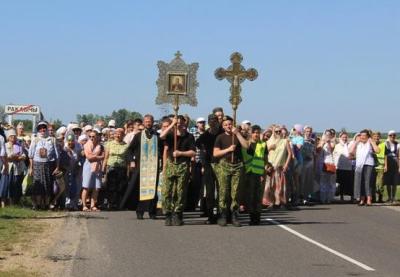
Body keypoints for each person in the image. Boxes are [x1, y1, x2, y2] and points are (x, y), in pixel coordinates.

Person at [160, 115, 196, 226]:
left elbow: (193, 152)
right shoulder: (171, 135)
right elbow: (161, 136)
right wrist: (171, 124)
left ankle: (177, 213)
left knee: (180, 192)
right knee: (167, 191)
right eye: (177, 123)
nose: (179, 124)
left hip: (182, 165)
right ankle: (167, 213)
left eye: (181, 122)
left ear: (185, 123)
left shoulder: (189, 137)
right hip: (171, 164)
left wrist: (181, 153)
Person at [213, 116, 248, 227]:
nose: (228, 126)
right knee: (223, 191)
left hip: (237, 165)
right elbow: (215, 153)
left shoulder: (238, 135)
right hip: (224, 165)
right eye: (226, 125)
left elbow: (246, 146)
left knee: (235, 192)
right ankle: (223, 215)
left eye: (230, 124)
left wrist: (237, 133)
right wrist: (228, 149)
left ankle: (235, 215)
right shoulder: (220, 137)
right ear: (223, 127)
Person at [195, 114, 223, 224]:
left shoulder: (221, 133)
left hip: (221, 164)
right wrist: (203, 149)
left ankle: (222, 214)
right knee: (210, 191)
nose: (213, 122)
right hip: (208, 164)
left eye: (215, 120)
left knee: (222, 190)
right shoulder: (205, 134)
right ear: (208, 122)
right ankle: (210, 215)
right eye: (210, 121)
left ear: (217, 122)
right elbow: (197, 143)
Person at [28, 121, 60, 210]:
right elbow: (30, 155)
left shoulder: (52, 139)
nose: (42, 130)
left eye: (44, 128)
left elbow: (57, 155)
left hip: (48, 165)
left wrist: (57, 167)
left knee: (48, 185)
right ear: (38, 130)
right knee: (38, 186)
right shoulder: (35, 139)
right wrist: (31, 168)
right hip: (37, 164)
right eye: (40, 128)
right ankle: (38, 204)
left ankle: (46, 204)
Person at [264, 125, 292, 208]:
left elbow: (290, 153)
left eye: (280, 131)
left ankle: (280, 202)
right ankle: (271, 203)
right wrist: (269, 148)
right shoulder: (268, 141)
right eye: (276, 131)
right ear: (273, 132)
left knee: (280, 186)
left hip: (279, 166)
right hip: (270, 166)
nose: (278, 133)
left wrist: (286, 164)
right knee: (270, 186)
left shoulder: (285, 141)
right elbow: (264, 153)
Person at [245, 125, 268, 225]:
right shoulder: (247, 144)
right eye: (254, 132)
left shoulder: (263, 144)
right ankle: (251, 217)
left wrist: (264, 172)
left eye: (258, 133)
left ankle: (257, 217)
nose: (256, 134)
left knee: (258, 197)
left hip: (259, 174)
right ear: (251, 133)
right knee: (250, 196)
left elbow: (265, 159)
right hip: (249, 173)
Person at [349, 129, 380, 206]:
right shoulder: (358, 144)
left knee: (368, 182)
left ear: (368, 136)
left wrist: (372, 142)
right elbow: (350, 151)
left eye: (364, 136)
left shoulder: (370, 143)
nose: (362, 137)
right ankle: (362, 199)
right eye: (361, 135)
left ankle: (369, 199)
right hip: (359, 165)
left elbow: (378, 150)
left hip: (368, 164)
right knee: (361, 182)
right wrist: (356, 142)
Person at [102, 128, 129, 210]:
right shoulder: (109, 144)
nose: (118, 135)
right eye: (116, 133)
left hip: (122, 168)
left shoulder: (126, 145)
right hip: (111, 167)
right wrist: (103, 168)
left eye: (120, 133)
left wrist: (128, 172)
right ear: (114, 135)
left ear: (123, 135)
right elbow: (106, 157)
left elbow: (127, 159)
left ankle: (119, 204)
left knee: (120, 187)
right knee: (111, 186)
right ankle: (111, 203)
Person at [186, 117, 206, 211]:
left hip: (204, 162)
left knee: (203, 185)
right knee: (194, 184)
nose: (202, 124)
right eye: (200, 122)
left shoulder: (207, 134)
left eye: (203, 122)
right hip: (194, 161)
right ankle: (191, 204)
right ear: (197, 124)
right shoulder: (192, 133)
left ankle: (202, 205)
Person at [81, 130, 104, 211]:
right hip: (88, 167)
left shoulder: (100, 146)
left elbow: (103, 156)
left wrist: (94, 156)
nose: (91, 138)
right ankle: (84, 205)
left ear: (97, 137)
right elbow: (89, 158)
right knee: (86, 187)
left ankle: (93, 205)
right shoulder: (86, 145)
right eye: (90, 136)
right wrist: (99, 157)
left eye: (93, 136)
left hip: (98, 167)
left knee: (96, 187)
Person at [4, 129, 27, 205]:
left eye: (14, 136)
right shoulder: (5, 145)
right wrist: (15, 157)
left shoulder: (18, 145)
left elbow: (23, 156)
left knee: (17, 184)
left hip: (18, 168)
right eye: (11, 136)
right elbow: (6, 157)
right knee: (9, 184)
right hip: (9, 168)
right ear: (8, 137)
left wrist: (17, 157)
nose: (13, 137)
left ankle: (15, 202)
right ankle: (8, 202)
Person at [333, 131, 354, 201]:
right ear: (340, 138)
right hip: (340, 167)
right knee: (340, 182)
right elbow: (334, 156)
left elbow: (352, 154)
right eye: (343, 137)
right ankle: (341, 196)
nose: (344, 138)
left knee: (349, 183)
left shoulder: (349, 145)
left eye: (346, 137)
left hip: (348, 167)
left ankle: (351, 197)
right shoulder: (337, 146)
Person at [318, 129, 336, 204]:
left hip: (330, 162)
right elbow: (318, 150)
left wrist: (328, 142)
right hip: (322, 163)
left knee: (330, 182)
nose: (328, 136)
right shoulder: (321, 141)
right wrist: (322, 143)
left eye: (329, 134)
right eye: (326, 134)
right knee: (323, 182)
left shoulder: (332, 142)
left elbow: (331, 149)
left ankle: (329, 198)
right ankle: (323, 198)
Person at [300, 126, 316, 204]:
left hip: (310, 163)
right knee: (302, 181)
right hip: (302, 163)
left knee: (308, 181)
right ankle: (300, 197)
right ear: (304, 132)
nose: (308, 133)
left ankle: (306, 198)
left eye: (310, 131)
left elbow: (314, 153)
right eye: (307, 131)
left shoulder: (313, 141)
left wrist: (314, 165)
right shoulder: (301, 140)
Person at [384, 130, 399, 203]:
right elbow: (385, 156)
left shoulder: (397, 144)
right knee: (388, 182)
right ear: (388, 136)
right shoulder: (386, 144)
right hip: (388, 163)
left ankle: (393, 197)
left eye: (394, 135)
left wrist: (399, 167)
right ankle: (389, 197)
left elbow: (399, 156)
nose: (392, 136)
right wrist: (386, 166)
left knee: (395, 182)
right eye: (391, 135)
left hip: (395, 164)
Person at [371, 132, 385, 203]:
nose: (376, 138)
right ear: (372, 137)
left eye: (378, 136)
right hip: (372, 166)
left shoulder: (383, 144)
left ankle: (380, 198)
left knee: (380, 184)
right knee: (372, 183)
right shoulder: (370, 144)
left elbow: (385, 156)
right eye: (375, 136)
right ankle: (373, 198)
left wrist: (385, 165)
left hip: (380, 166)